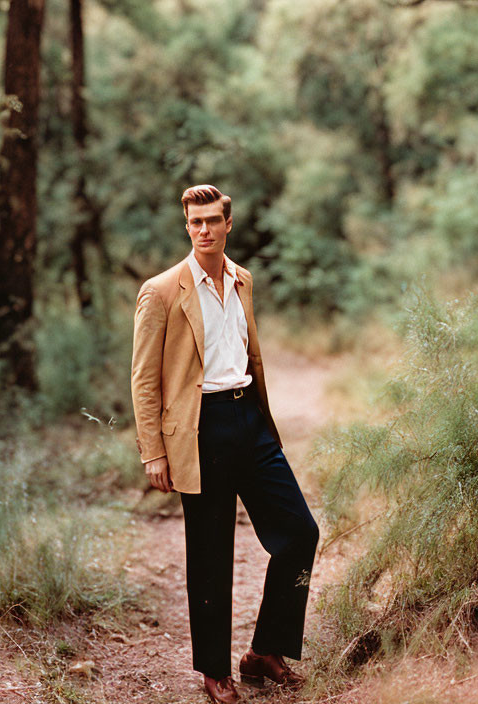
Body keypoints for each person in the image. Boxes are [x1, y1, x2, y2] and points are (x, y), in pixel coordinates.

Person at [131, 184, 319, 704]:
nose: (204, 230)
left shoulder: (242, 280)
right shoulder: (163, 290)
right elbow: (144, 380)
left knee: (300, 533)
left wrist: (258, 416)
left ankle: (264, 651)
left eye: (213, 220)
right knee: (211, 555)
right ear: (186, 225)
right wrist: (154, 451)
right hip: (200, 429)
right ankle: (215, 672)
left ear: (228, 224)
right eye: (195, 222)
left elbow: (247, 353)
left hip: (250, 421)